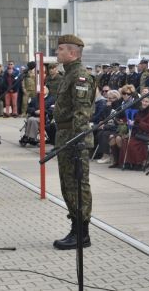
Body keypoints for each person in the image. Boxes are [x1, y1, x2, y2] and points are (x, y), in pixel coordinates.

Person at [52, 34, 96, 250]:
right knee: (67, 184)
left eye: (60, 49)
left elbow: (81, 113)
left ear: (72, 52)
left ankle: (82, 233)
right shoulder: (67, 74)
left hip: (74, 138)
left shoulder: (80, 77)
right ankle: (75, 228)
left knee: (77, 185)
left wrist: (78, 142)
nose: (57, 52)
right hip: (65, 136)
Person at [118, 96, 149, 170]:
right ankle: (128, 162)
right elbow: (137, 120)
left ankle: (139, 163)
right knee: (126, 141)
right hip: (141, 132)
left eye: (146, 102)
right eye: (143, 101)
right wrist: (131, 122)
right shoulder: (142, 110)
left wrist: (137, 123)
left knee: (133, 143)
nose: (144, 103)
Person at [95, 90, 123, 164]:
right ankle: (104, 155)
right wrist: (107, 108)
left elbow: (116, 121)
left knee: (105, 134)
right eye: (108, 98)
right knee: (100, 133)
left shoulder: (119, 107)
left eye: (111, 98)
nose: (108, 100)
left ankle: (106, 156)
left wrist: (105, 126)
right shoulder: (108, 106)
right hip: (108, 126)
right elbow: (104, 117)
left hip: (115, 127)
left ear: (116, 98)